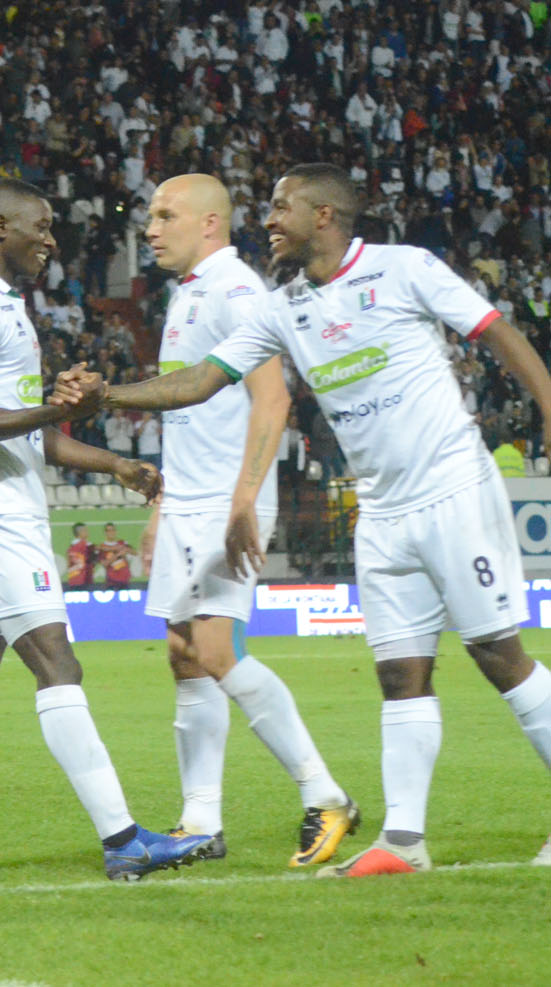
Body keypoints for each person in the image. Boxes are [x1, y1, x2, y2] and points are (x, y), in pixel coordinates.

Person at [60, 163, 551, 877]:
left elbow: (494, 330)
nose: (268, 220)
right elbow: (200, 380)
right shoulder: (280, 307)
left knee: (497, 655)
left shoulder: (403, 268)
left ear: (323, 215)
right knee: (400, 674)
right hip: (379, 509)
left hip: (452, 490)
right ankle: (403, 842)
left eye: (281, 207)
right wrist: (106, 394)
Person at [0, 178, 212, 883]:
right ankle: (123, 839)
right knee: (58, 665)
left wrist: (113, 463)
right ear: (0, 227)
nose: (50, 239)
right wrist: (52, 411)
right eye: (40, 226)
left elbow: (26, 431)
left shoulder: (5, 304)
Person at [139, 173, 355, 866]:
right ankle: (199, 820)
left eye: (164, 215)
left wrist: (244, 499)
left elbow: (272, 398)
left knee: (216, 649)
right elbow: (188, 415)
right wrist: (162, 505)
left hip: (224, 500)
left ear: (209, 223)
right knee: (184, 653)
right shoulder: (188, 293)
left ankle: (325, 794)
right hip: (188, 500)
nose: (150, 229)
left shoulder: (235, 290)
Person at [64, 522, 93, 590]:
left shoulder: (71, 547)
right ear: (80, 532)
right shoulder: (85, 545)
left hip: (74, 580)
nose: (87, 532)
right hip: (82, 580)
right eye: (85, 530)